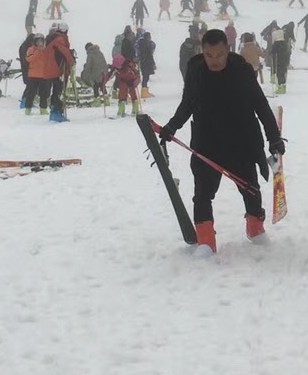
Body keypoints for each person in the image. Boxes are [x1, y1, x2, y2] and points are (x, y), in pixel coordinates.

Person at [159, 29, 284, 252]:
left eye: (219, 55)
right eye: (208, 55)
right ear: (202, 51)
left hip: (241, 141)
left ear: (227, 50)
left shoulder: (242, 71)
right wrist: (171, 127)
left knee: (251, 189)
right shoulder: (196, 70)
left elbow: (261, 106)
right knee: (203, 194)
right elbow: (187, 104)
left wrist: (273, 138)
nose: (214, 61)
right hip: (207, 142)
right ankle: (206, 241)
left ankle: (255, 229)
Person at [23, 33, 58, 114]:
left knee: (44, 94)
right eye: (38, 41)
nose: (40, 43)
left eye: (41, 41)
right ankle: (28, 108)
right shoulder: (31, 49)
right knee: (31, 93)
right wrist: (38, 51)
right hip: (33, 75)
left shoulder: (46, 50)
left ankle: (43, 108)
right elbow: (29, 59)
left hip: (44, 75)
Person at [47, 23, 75, 120]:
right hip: (58, 69)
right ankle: (56, 113)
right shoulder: (60, 39)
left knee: (55, 90)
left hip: (51, 69)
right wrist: (71, 61)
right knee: (58, 90)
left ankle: (54, 111)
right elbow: (65, 52)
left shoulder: (52, 38)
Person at [111, 52, 141, 117]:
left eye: (119, 66)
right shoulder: (118, 69)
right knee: (122, 94)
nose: (118, 68)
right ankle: (121, 109)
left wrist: (133, 82)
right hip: (123, 82)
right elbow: (113, 74)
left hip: (131, 81)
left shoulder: (129, 66)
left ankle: (135, 108)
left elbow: (136, 75)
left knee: (132, 93)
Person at [137, 30, 156, 98]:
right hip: (146, 62)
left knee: (145, 76)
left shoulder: (141, 44)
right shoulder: (147, 45)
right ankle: (144, 92)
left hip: (143, 62)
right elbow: (149, 55)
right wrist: (153, 63)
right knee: (146, 77)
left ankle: (144, 91)